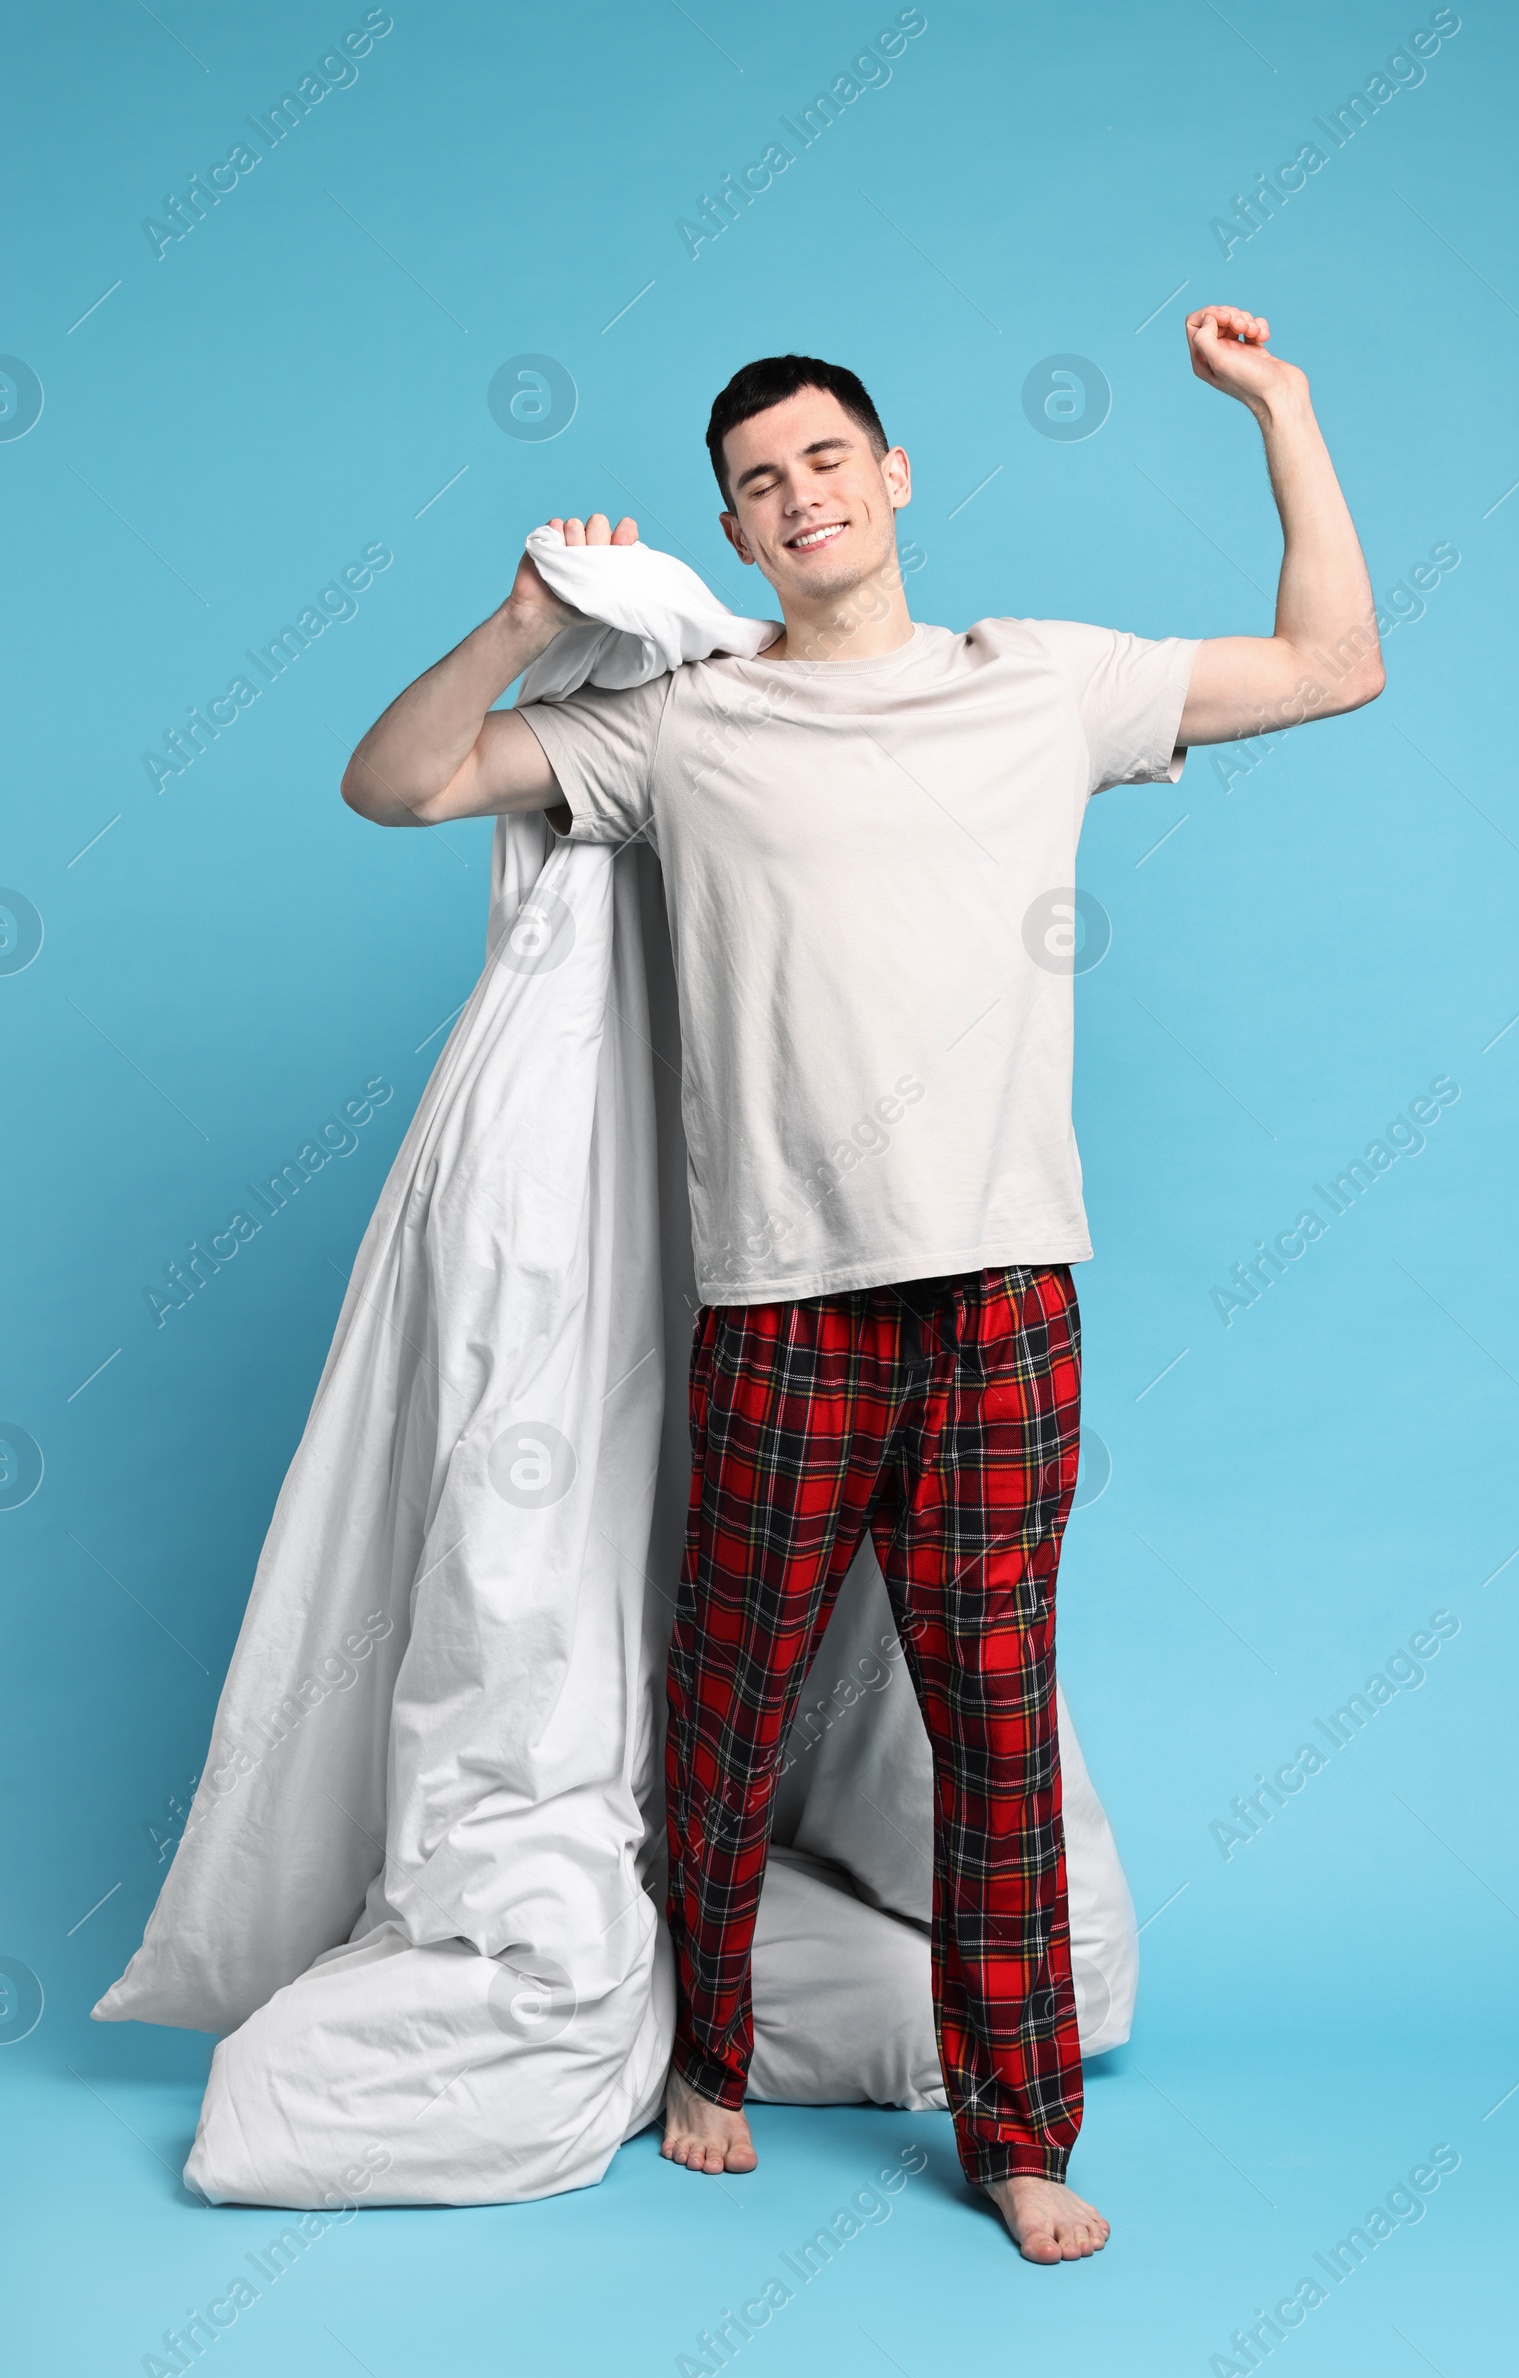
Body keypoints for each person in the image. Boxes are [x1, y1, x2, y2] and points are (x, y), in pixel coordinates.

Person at [340, 308, 1384, 2263]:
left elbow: (1334, 661)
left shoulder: (1035, 685)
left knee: (991, 1722)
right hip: (783, 1306)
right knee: (724, 1712)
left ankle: (1016, 2136)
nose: (795, 494)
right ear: (734, 538)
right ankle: (706, 2057)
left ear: (890, 478)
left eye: (823, 459)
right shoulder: (681, 725)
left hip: (999, 1302)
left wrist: (1282, 410)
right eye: (756, 482)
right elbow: (393, 789)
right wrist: (507, 621)